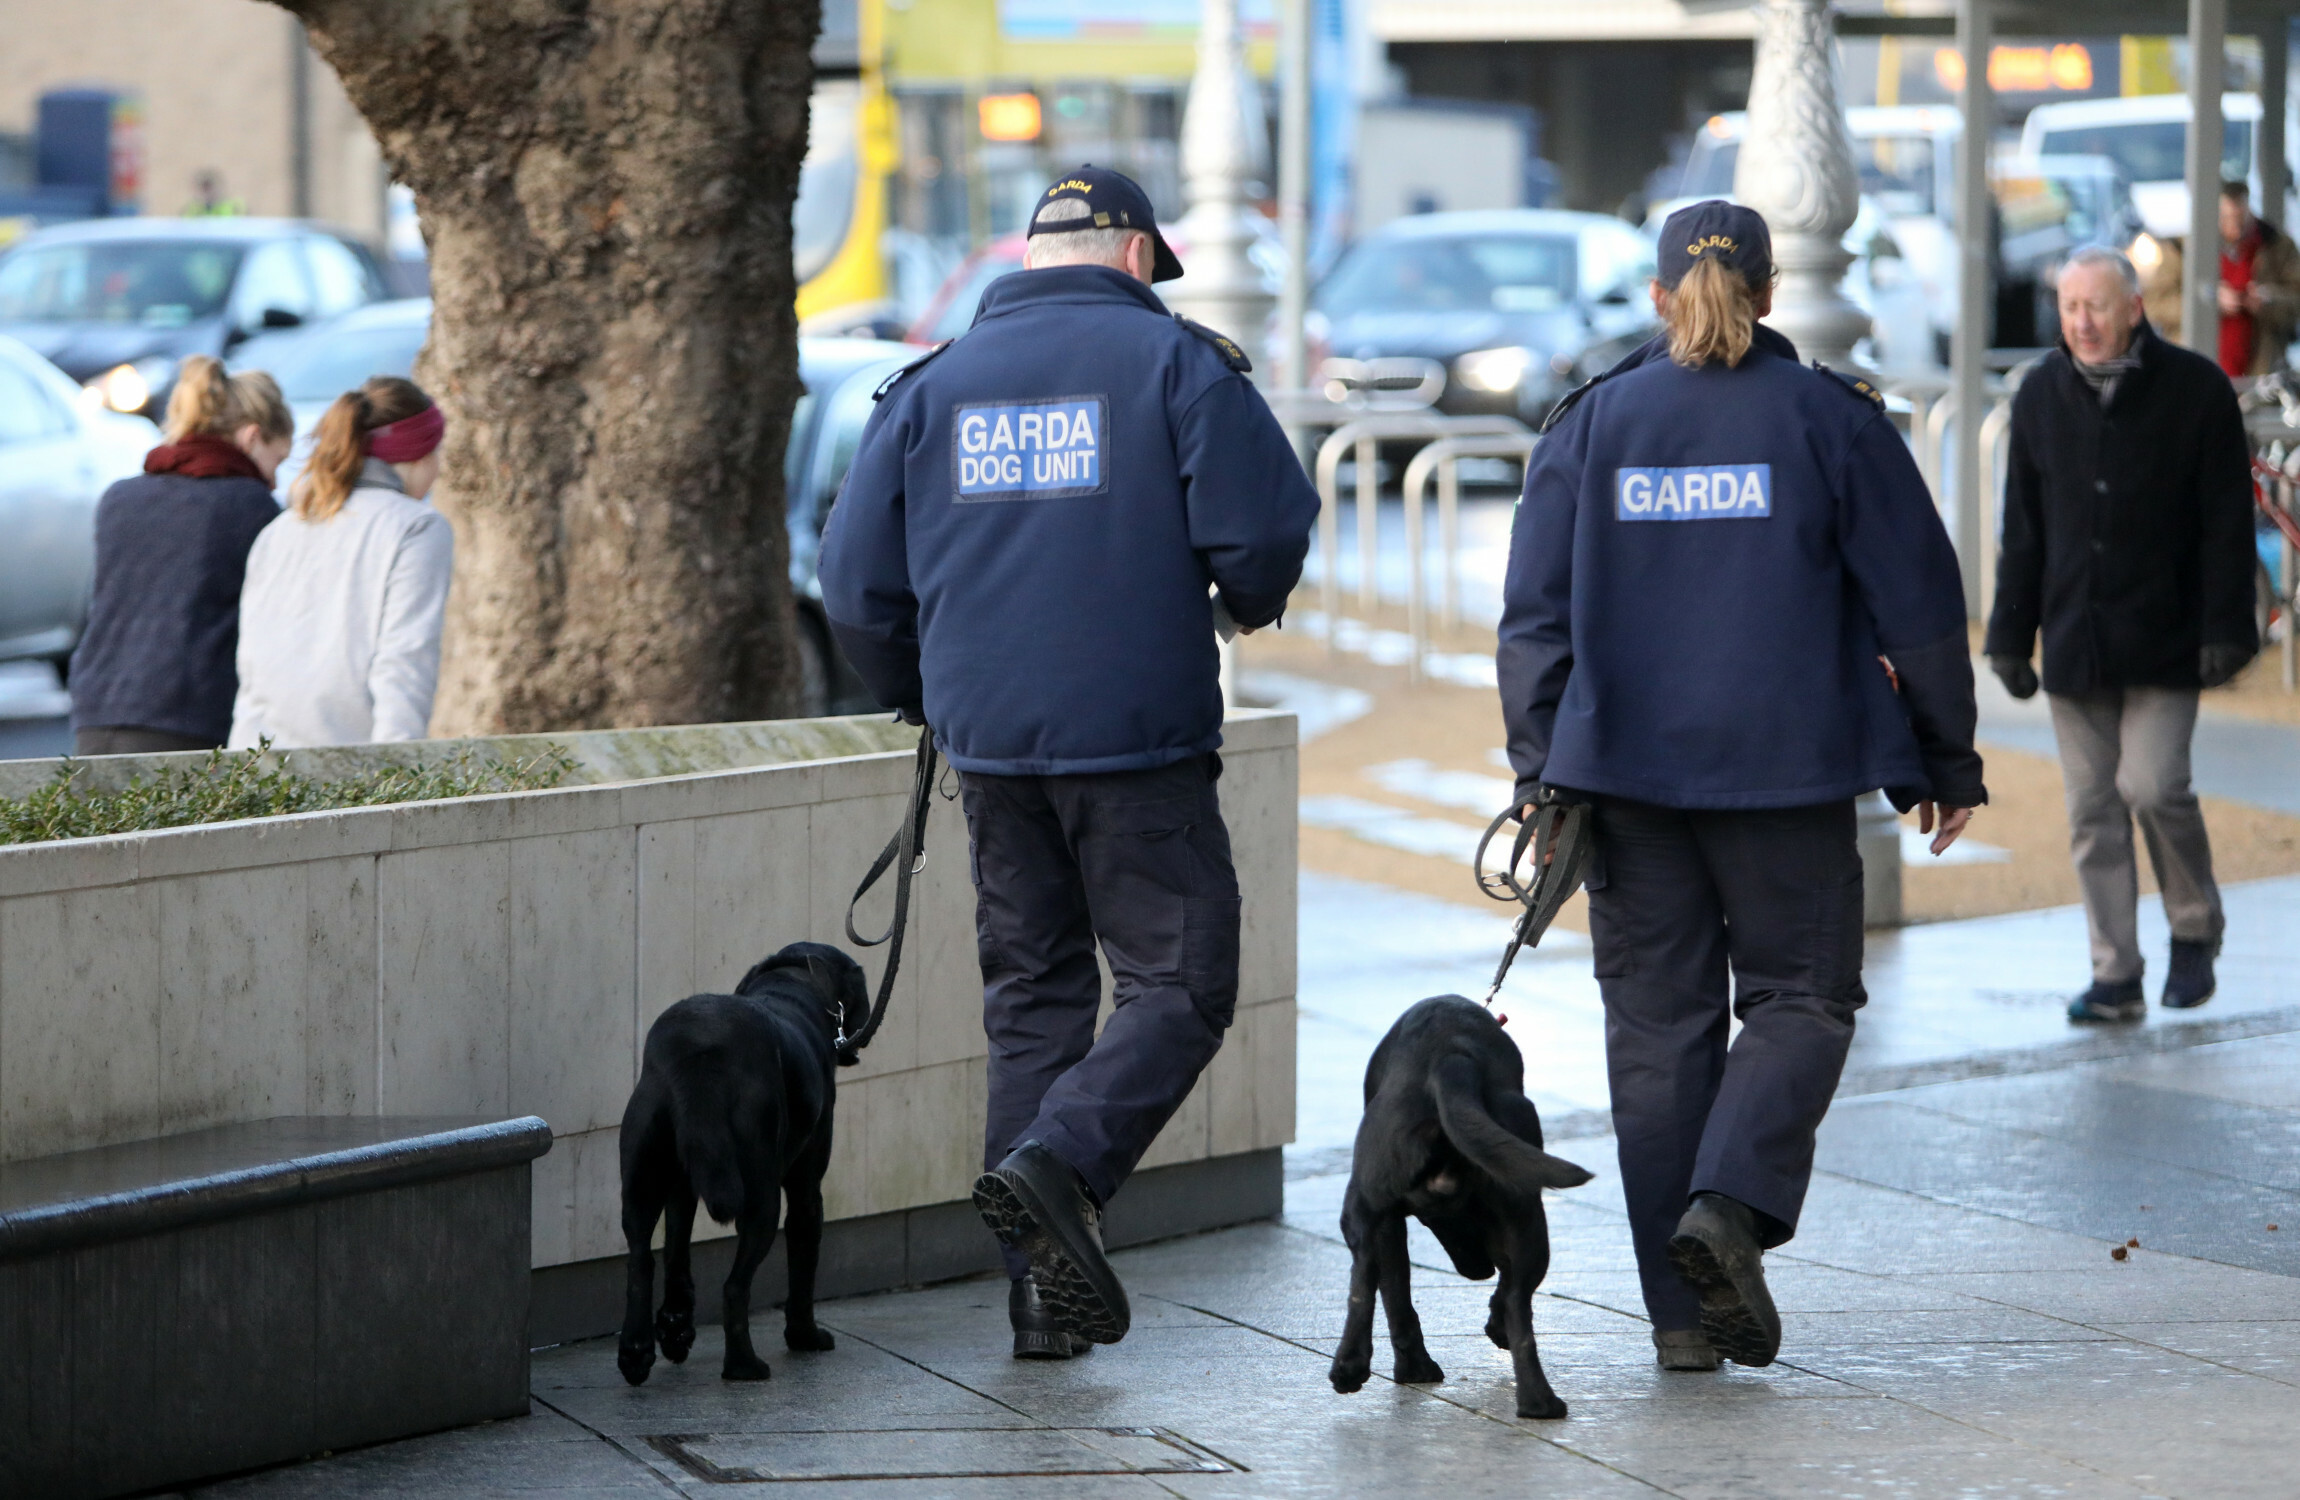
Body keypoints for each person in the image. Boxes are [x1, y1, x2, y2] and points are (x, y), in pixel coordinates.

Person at [818, 165, 1318, 1358]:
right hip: (1135, 741)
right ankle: (1060, 1164)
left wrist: (924, 692)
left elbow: (851, 583)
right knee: (1180, 984)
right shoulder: (1177, 367)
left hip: (989, 749)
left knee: (1033, 1003)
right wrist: (1240, 603)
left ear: (1031, 258)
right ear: (1138, 254)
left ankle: (1037, 1301)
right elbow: (1263, 530)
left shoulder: (928, 385)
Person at [1498, 202, 1985, 1374]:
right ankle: (1727, 1205)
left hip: (1623, 783)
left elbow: (1532, 623)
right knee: (1799, 1003)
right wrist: (1942, 758)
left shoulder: (1591, 425)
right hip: (1788, 777)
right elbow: (1915, 604)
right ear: (1768, 294)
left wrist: (1536, 772)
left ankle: (1679, 1319)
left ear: (1659, 296)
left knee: (1656, 1038)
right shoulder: (1831, 420)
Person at [1988, 247, 2258, 1023]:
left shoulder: (2196, 391)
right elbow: (2023, 531)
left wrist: (2226, 628)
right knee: (2091, 812)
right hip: (2077, 639)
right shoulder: (2038, 395)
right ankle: (2115, 974)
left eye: (2097, 306)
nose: (2082, 322)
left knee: (2153, 785)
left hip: (2169, 636)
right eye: (2070, 308)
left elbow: (2225, 525)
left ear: (2134, 307)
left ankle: (2195, 928)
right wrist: (2010, 636)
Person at [67, 355, 294, 756]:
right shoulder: (250, 505)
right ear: (251, 437)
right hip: (191, 717)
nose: (275, 479)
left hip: (97, 710)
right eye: (277, 460)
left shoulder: (121, 497)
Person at [229, 376, 454, 748]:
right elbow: (406, 658)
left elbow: (252, 664)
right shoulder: (416, 526)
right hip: (354, 765)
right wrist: (397, 775)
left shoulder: (283, 527)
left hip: (261, 760)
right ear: (420, 450)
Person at [2138, 180, 2300, 378]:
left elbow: (2295, 298)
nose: (2236, 228)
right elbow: (2154, 304)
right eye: (2227, 219)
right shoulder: (2182, 250)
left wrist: (2267, 300)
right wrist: (2208, 302)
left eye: (2241, 218)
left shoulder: (2277, 247)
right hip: (2196, 369)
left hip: (2259, 368)